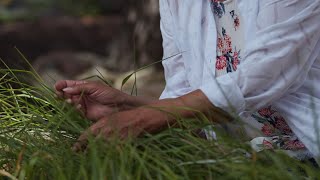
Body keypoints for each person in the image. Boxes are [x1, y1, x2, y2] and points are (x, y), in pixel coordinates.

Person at [55, 0, 320, 160]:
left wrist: (149, 117)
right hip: (235, 151)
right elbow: (182, 94)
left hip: (305, 145)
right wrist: (130, 108)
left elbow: (263, 75)